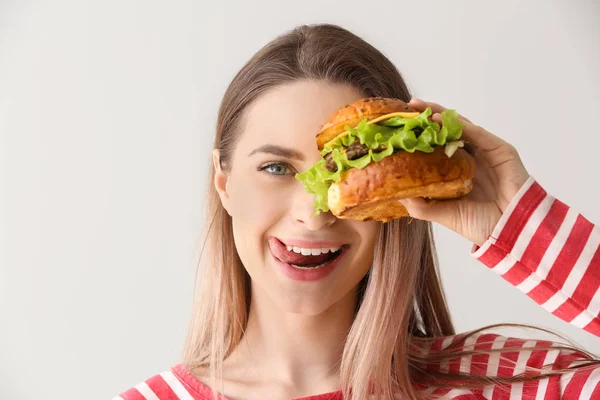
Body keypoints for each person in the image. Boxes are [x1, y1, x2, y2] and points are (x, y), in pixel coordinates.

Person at [114, 24, 600, 400]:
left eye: (343, 172)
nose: (315, 213)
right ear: (224, 184)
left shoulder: (510, 382)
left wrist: (520, 221)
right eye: (277, 167)